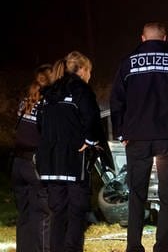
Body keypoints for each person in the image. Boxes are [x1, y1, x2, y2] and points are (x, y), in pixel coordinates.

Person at [110, 22, 168, 252]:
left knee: (136, 194)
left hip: (136, 138)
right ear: (164, 38)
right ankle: (162, 247)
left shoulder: (127, 63)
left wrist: (120, 131)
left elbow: (116, 100)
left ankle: (133, 247)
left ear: (142, 38)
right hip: (167, 137)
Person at [36, 51, 114, 252]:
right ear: (82, 69)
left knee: (57, 213)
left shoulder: (49, 91)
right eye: (90, 71)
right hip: (74, 162)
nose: (90, 76)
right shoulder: (81, 89)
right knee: (76, 213)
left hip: (50, 164)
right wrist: (89, 140)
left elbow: (40, 124)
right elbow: (92, 119)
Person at [11, 64, 53, 252]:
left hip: (17, 164)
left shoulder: (26, 100)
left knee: (25, 213)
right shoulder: (47, 104)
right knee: (44, 213)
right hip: (35, 164)